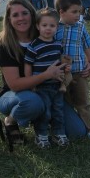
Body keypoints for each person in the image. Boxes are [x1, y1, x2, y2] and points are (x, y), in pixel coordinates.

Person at [0, 0, 86, 147]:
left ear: (32, 15)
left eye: (24, 13)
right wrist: (46, 75)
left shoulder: (44, 34)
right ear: (9, 19)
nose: (21, 18)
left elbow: (65, 50)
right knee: (33, 102)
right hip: (16, 96)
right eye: (15, 15)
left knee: (77, 131)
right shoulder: (6, 46)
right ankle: (11, 120)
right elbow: (15, 85)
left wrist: (83, 64)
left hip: (50, 90)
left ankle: (46, 119)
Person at [54, 0, 90, 140]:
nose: (78, 15)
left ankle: (89, 128)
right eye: (74, 12)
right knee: (64, 101)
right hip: (61, 75)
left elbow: (88, 46)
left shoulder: (81, 27)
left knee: (83, 101)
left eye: (79, 12)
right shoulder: (54, 28)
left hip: (79, 73)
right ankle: (62, 126)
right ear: (61, 12)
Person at [24, 8, 70, 148]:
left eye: (52, 26)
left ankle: (58, 133)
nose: (48, 29)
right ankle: (41, 135)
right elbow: (28, 65)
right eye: (44, 25)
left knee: (58, 111)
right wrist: (30, 83)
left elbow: (60, 61)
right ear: (38, 26)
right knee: (45, 112)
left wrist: (65, 67)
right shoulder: (34, 46)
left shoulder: (57, 44)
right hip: (41, 86)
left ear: (57, 27)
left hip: (56, 85)